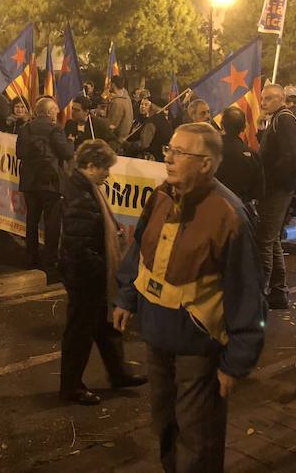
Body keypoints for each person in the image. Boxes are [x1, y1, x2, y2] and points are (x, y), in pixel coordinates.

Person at [113, 123, 265, 472]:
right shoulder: (161, 196)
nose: (167, 158)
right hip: (156, 338)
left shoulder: (229, 215)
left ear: (206, 164)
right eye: (169, 149)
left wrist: (236, 361)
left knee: (198, 438)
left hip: (199, 346)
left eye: (179, 153)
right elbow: (140, 251)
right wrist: (125, 297)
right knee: (164, 423)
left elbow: (247, 293)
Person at [59, 140, 147, 405]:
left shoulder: (86, 189)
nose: (108, 174)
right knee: (80, 333)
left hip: (91, 275)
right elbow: (79, 245)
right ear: (90, 166)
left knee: (105, 328)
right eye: (105, 168)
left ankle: (119, 374)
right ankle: (71, 387)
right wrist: (101, 270)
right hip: (85, 277)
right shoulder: (81, 197)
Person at [257, 83, 296, 309]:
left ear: (279, 99)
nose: (262, 103)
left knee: (264, 240)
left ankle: (262, 290)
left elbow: (290, 155)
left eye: (266, 99)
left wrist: (271, 181)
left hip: (277, 189)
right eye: (262, 99)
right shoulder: (277, 119)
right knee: (272, 239)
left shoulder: (283, 119)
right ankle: (278, 290)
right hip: (277, 188)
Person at [16, 96, 74, 267]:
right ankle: (50, 258)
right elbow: (66, 153)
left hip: (29, 182)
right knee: (52, 223)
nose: (57, 113)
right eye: (55, 110)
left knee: (32, 220)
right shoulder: (54, 129)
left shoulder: (25, 128)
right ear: (49, 112)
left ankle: (31, 255)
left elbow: (19, 153)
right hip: (50, 182)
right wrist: (70, 140)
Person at [215, 106, 264, 205]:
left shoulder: (210, 151)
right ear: (244, 127)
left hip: (215, 206)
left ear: (222, 125)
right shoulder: (253, 155)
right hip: (241, 207)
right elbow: (259, 190)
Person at [122, 97, 173, 162]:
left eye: (148, 105)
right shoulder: (164, 120)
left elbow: (144, 144)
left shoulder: (152, 121)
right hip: (161, 159)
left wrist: (128, 145)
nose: (144, 107)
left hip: (152, 159)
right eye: (142, 104)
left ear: (153, 107)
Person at [106, 75, 133, 141]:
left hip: (116, 140)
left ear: (113, 84)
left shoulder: (117, 102)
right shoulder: (127, 98)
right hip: (125, 138)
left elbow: (112, 124)